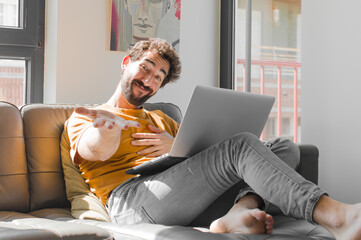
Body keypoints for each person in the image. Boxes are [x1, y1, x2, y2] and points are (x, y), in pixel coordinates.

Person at [67, 38, 361, 239]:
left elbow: (201, 166)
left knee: (285, 145)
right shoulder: (89, 116)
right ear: (127, 62)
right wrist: (107, 130)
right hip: (131, 201)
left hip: (181, 197)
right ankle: (336, 217)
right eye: (145, 67)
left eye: (159, 76)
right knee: (241, 145)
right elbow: (94, 151)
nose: (149, 79)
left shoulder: (163, 119)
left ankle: (239, 211)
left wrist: (175, 147)